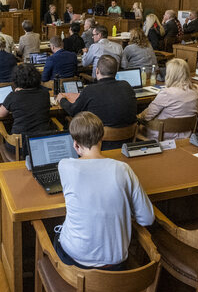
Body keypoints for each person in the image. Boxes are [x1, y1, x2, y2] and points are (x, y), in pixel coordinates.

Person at [56, 112, 155, 269]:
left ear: (75, 145)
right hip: (115, 262)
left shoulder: (64, 166)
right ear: (102, 137)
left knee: (55, 233)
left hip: (75, 259)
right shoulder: (122, 169)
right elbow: (147, 218)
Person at [57, 57, 137, 139]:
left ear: (97, 71)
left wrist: (62, 99)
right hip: (127, 140)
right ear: (116, 71)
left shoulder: (90, 90)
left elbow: (73, 111)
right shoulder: (126, 86)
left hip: (97, 142)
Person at [138, 59, 198, 140]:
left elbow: (148, 116)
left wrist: (138, 117)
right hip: (186, 135)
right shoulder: (196, 90)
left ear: (170, 74)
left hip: (162, 135)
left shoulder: (166, 93)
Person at [0, 64, 53, 150]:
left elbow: (1, 114)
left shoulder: (13, 96)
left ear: (16, 80)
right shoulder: (45, 93)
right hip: (42, 141)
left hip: (20, 145)